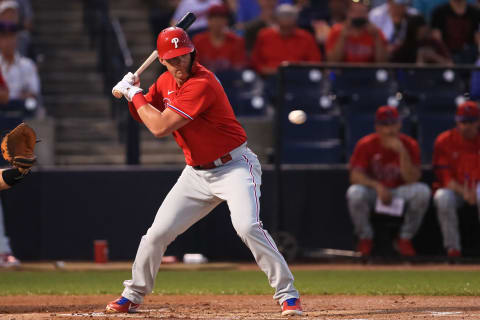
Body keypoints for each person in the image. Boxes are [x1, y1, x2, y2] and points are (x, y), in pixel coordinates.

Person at [107, 26, 303, 316]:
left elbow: (161, 127)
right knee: (156, 234)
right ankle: (133, 294)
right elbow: (146, 115)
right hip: (196, 174)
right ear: (161, 60)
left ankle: (288, 294)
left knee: (247, 226)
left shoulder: (203, 82)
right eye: (172, 59)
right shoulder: (163, 82)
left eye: (183, 56)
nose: (179, 63)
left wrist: (134, 94)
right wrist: (132, 94)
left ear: (192, 53)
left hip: (235, 166)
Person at [346, 106, 431, 257]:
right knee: (355, 193)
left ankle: (404, 238)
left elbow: (412, 178)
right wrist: (377, 186)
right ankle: (365, 238)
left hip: (400, 191)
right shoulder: (366, 144)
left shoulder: (409, 144)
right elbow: (355, 176)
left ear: (399, 124)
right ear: (377, 127)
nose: (390, 129)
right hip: (376, 192)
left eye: (393, 123)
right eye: (385, 125)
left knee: (422, 191)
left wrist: (402, 152)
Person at [432, 101, 480, 258]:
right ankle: (453, 249)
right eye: (463, 121)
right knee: (442, 197)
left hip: (477, 187)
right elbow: (445, 178)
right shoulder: (445, 140)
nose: (467, 126)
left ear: (478, 121)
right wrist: (465, 192)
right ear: (457, 121)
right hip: (455, 189)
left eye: (471, 121)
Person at [251, 4, 322, 76]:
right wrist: (265, 70)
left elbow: (315, 62)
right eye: (283, 28)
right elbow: (256, 61)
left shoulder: (306, 37)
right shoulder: (264, 35)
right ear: (277, 21)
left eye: (289, 27)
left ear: (295, 22)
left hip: (300, 78)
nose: (286, 29)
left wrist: (300, 72)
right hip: (269, 78)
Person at [0, 6, 41, 118]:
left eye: (11, 36)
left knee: (31, 104)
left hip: (21, 112)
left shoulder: (27, 65)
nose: (8, 41)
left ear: (17, 39)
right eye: (4, 37)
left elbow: (32, 94)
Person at [192, 4, 246, 72]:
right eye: (214, 17)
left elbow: (238, 69)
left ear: (226, 21)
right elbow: (194, 67)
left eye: (221, 18)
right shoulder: (198, 40)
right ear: (208, 20)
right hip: (204, 80)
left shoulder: (236, 41)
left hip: (229, 80)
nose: (218, 21)